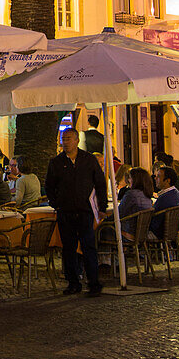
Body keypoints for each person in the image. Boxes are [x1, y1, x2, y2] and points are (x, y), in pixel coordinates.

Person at [45, 127, 107, 297]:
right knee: (69, 249)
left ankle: (93, 282)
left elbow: (100, 183)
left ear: (77, 140)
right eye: (63, 139)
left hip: (85, 211)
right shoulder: (56, 163)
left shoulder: (88, 160)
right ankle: (73, 282)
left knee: (88, 247)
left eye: (68, 139)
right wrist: (56, 204)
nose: (65, 142)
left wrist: (101, 207)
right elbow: (49, 186)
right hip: (65, 212)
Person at [117, 168, 154, 237]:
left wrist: (104, 221)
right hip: (141, 234)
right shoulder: (147, 196)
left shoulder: (131, 195)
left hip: (127, 233)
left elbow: (118, 214)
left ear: (136, 180)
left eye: (130, 178)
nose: (128, 180)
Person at [150, 166, 179, 238]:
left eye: (158, 176)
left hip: (157, 233)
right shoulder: (176, 193)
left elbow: (152, 218)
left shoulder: (165, 197)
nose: (155, 178)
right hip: (171, 233)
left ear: (167, 181)